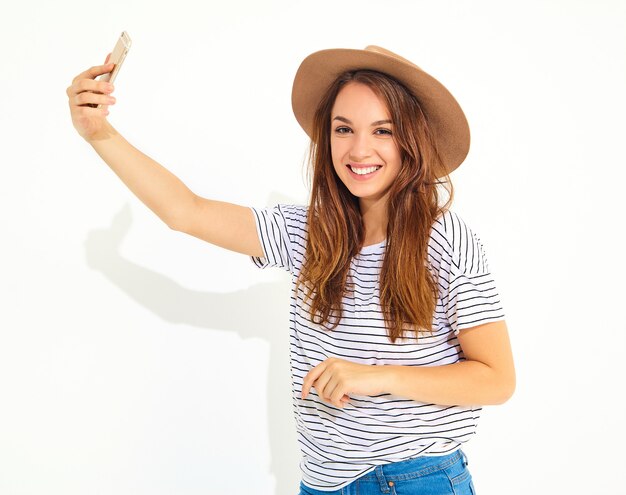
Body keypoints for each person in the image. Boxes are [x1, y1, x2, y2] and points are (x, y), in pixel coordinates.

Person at [67, 45, 515, 495]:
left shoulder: (445, 240)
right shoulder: (306, 232)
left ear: (410, 140)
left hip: (416, 479)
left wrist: (374, 375)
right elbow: (186, 211)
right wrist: (99, 133)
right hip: (321, 485)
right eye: (344, 129)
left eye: (383, 130)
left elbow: (496, 379)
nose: (360, 149)